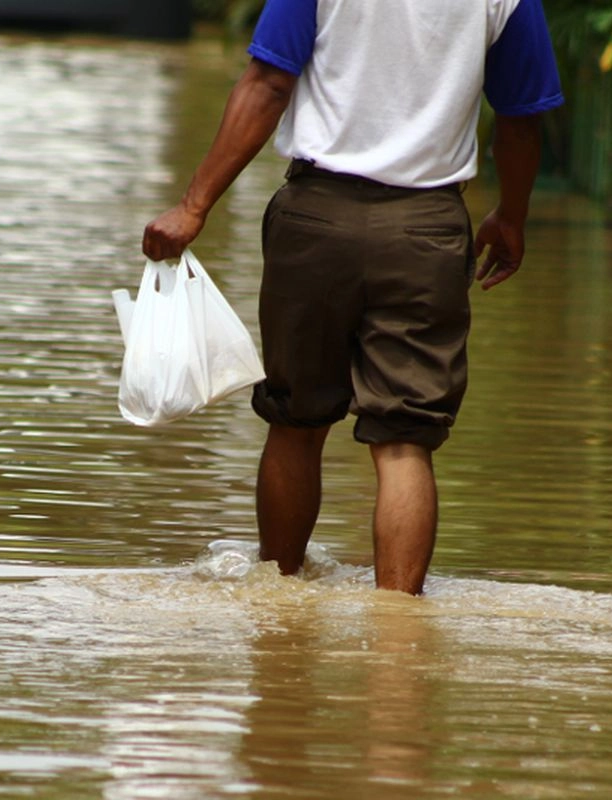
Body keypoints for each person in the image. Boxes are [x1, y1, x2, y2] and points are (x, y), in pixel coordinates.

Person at [141, 0, 563, 595]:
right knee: (404, 440)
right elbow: (521, 119)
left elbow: (267, 83)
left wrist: (193, 207)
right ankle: (399, 633)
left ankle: (278, 606)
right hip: (428, 229)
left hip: (315, 219)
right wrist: (511, 216)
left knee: (295, 421)